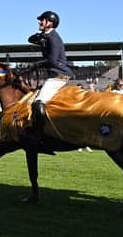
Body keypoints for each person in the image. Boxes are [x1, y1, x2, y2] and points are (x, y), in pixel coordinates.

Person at [26, 10, 74, 149]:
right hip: (55, 75)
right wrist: (41, 35)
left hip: (58, 76)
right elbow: (30, 39)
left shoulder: (53, 38)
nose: (40, 22)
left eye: (42, 20)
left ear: (50, 23)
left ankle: (40, 136)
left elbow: (52, 61)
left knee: (37, 103)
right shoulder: (48, 36)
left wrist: (35, 65)